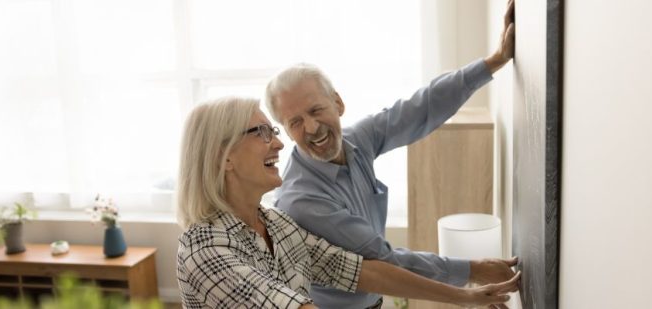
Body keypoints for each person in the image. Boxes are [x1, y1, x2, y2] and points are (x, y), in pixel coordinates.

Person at [263, 1, 517, 308]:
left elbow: (417, 108)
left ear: (338, 103)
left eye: (316, 110)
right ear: (287, 131)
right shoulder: (302, 200)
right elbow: (382, 259)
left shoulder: (356, 140)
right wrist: (472, 271)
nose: (312, 127)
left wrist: (494, 61)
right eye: (296, 122)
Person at [175, 97, 520, 309]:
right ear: (224, 158)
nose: (279, 145)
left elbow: (362, 271)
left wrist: (467, 294)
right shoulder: (203, 248)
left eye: (274, 132)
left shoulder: (278, 225)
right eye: (262, 133)